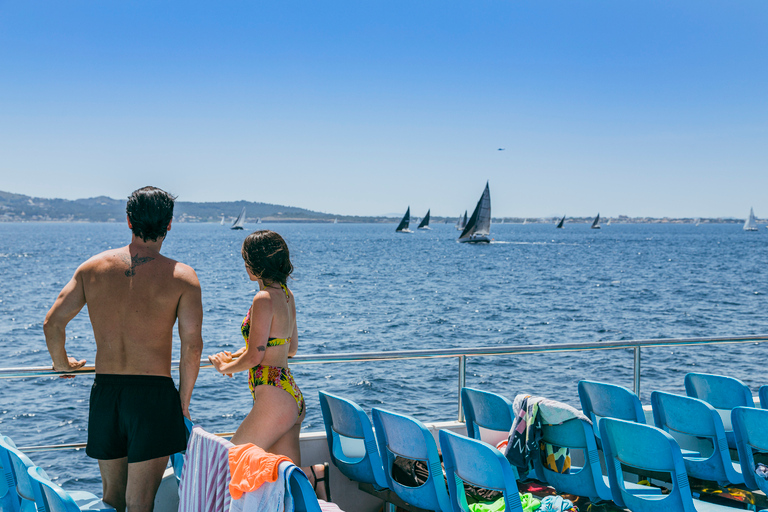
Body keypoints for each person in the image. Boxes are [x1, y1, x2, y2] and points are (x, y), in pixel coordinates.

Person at [44, 186, 204, 512]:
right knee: (140, 504)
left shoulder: (92, 268)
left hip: (106, 394)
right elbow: (192, 346)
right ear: (169, 224)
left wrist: (61, 364)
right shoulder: (182, 277)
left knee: (112, 501)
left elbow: (53, 323)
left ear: (129, 221)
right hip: (153, 397)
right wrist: (183, 403)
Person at [208, 230, 329, 500]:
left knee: (226, 465)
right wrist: (239, 353)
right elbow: (289, 347)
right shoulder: (286, 295)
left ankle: (314, 477)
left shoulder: (262, 298)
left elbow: (255, 357)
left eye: (246, 259)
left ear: (256, 264)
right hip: (291, 396)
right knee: (286, 486)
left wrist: (224, 367)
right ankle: (315, 475)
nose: (244, 265)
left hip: (274, 400)